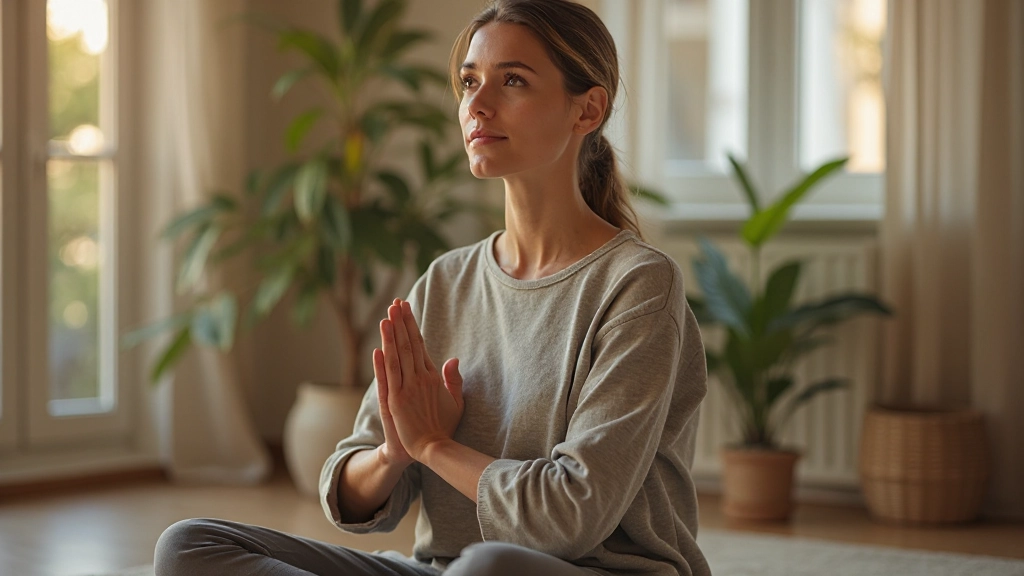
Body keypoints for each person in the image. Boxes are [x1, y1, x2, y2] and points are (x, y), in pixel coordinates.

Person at [153, 0, 710, 574]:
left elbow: (568, 518)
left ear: (587, 109)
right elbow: (346, 488)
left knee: (488, 567)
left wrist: (433, 447)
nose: (477, 104)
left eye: (512, 80)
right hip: (446, 570)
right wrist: (396, 451)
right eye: (469, 82)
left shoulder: (638, 285)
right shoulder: (446, 281)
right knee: (190, 545)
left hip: (578, 570)